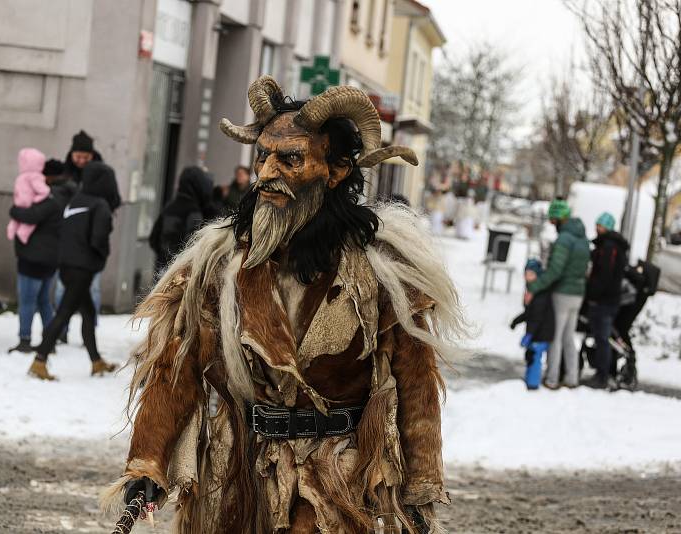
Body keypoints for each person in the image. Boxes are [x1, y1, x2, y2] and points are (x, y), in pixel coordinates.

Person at [103, 76, 466, 533]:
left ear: (333, 171)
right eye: (263, 156)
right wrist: (147, 462)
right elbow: (179, 366)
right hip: (239, 474)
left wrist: (420, 485)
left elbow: (415, 380)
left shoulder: (382, 274)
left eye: (290, 159)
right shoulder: (219, 267)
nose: (266, 174)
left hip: (335, 481)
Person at [28, 162, 120, 381]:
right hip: (83, 268)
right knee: (64, 313)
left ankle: (96, 361)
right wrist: (100, 257)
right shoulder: (100, 205)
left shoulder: (75, 201)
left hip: (67, 266)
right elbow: (98, 239)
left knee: (87, 314)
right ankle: (39, 361)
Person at [56, 130, 121, 340]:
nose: (81, 161)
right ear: (71, 154)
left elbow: (114, 199)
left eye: (85, 157)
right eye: (78, 156)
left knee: (92, 289)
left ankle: (88, 332)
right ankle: (61, 333)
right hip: (71, 241)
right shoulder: (65, 173)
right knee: (61, 290)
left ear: (92, 155)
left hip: (91, 241)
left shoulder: (102, 173)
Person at [8, 158, 76, 353]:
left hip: (34, 257)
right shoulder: (68, 195)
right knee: (44, 300)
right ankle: (50, 339)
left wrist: (14, 209)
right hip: (52, 257)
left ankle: (25, 339)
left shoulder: (51, 197)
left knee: (28, 300)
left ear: (48, 177)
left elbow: (30, 216)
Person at [526, 199, 590, 389]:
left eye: (553, 220)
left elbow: (555, 270)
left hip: (562, 293)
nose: (552, 224)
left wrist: (535, 287)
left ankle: (552, 378)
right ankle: (572, 378)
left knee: (555, 337)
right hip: (578, 294)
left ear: (560, 218)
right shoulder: (583, 239)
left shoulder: (564, 240)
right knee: (569, 337)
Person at [585, 212, 629, 389]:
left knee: (602, 338)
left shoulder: (609, 247)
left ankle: (602, 375)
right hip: (607, 298)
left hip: (605, 300)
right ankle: (603, 372)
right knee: (602, 337)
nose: (597, 228)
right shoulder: (610, 246)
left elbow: (604, 274)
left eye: (600, 225)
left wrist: (593, 293)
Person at [148, 166, 215, 276]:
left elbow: (153, 239)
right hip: (180, 273)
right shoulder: (193, 211)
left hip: (162, 268)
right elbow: (192, 245)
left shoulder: (170, 207)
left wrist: (164, 255)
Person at [510, 259, 555, 390]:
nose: (527, 277)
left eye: (531, 274)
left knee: (535, 356)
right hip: (536, 331)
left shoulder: (541, 293)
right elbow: (529, 312)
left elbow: (536, 316)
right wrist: (516, 321)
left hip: (542, 332)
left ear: (538, 275)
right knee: (530, 355)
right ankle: (530, 380)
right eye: (526, 273)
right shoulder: (532, 290)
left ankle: (533, 383)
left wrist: (529, 334)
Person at [6, 148, 50, 245]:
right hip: (29, 202)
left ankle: (13, 231)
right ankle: (22, 234)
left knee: (17, 219)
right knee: (29, 222)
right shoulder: (35, 176)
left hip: (19, 202)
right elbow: (44, 190)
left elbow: (17, 191)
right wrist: (37, 199)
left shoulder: (21, 177)